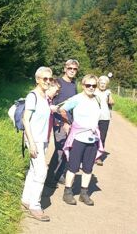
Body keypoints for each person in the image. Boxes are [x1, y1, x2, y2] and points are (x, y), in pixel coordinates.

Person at [56, 74, 105, 206]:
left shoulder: (98, 99)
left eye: (93, 85)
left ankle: (84, 193)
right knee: (73, 167)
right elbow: (62, 109)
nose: (91, 88)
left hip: (92, 139)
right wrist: (68, 122)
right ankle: (67, 193)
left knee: (88, 168)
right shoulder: (76, 99)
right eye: (88, 85)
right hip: (78, 138)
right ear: (83, 85)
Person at [21, 67, 53, 222]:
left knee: (34, 171)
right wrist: (31, 144)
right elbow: (25, 120)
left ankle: (26, 199)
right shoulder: (32, 96)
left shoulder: (45, 96)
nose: (48, 81)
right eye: (44, 79)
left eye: (50, 79)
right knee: (41, 172)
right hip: (34, 140)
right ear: (37, 79)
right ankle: (35, 205)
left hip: (43, 140)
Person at [45, 59, 79, 188]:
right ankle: (49, 179)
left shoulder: (74, 85)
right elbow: (50, 102)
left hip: (69, 122)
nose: (72, 70)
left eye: (74, 69)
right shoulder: (58, 82)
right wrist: (64, 121)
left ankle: (59, 175)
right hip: (59, 121)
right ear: (65, 68)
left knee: (67, 148)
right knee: (60, 149)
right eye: (70, 68)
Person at [95, 75, 115, 166]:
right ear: (98, 83)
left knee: (102, 137)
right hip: (94, 117)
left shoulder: (108, 92)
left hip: (105, 118)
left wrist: (111, 100)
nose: (102, 85)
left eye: (104, 83)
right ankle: (89, 155)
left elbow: (112, 102)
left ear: (107, 85)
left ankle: (98, 157)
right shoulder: (94, 90)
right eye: (101, 83)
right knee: (92, 136)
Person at [45, 79, 61, 165]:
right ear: (50, 87)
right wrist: (50, 109)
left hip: (45, 136)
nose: (57, 93)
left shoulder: (50, 100)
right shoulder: (43, 99)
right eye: (56, 90)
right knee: (39, 169)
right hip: (38, 138)